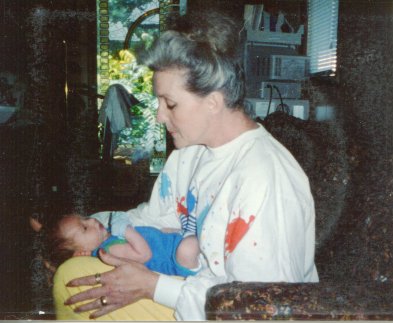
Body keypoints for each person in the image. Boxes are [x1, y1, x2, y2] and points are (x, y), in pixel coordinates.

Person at [53, 9, 318, 321]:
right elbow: (153, 217)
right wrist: (79, 228)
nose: (159, 116)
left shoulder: (264, 180)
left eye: (171, 104)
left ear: (213, 101)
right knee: (73, 269)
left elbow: (258, 309)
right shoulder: (189, 153)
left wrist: (151, 286)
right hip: (190, 289)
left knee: (70, 286)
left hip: (224, 311)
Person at [47, 212, 200, 277]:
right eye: (85, 228)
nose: (92, 220)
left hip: (171, 244)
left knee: (188, 238)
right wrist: (125, 229)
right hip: (174, 260)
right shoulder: (109, 250)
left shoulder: (107, 237)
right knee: (189, 247)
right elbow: (144, 254)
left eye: (85, 218)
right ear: (82, 252)